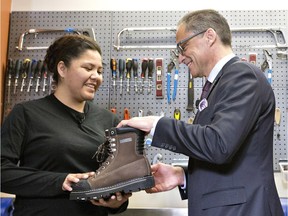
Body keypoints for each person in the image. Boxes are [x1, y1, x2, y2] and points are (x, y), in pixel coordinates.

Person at [118, 9, 284, 216]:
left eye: (183, 46)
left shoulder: (242, 76)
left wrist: (157, 125)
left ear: (210, 36)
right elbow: (227, 157)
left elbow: (219, 144)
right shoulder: (220, 83)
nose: (179, 58)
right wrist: (182, 176)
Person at [1, 34, 131, 216]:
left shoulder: (109, 121)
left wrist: (116, 203)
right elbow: (2, 172)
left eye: (100, 71)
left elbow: (117, 183)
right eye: (88, 68)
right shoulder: (26, 114)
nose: (96, 77)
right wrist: (60, 181)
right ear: (62, 69)